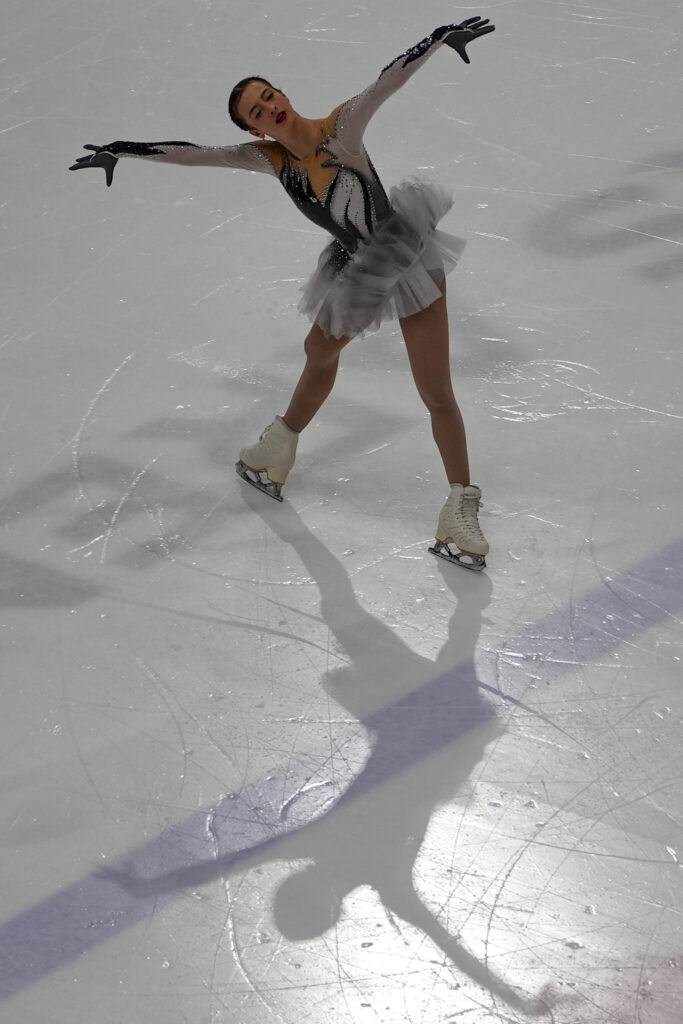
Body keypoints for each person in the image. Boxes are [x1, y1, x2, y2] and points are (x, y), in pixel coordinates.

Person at [70, 18, 495, 570]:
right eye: (256, 110)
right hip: (355, 268)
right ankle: (279, 445)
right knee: (319, 353)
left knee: (435, 392)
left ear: (283, 95)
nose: (269, 107)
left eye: (268, 96)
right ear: (256, 129)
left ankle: (459, 507)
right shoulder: (270, 160)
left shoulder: (340, 128)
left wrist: (438, 39)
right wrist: (121, 151)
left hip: (405, 257)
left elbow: (386, 81)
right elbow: (196, 154)